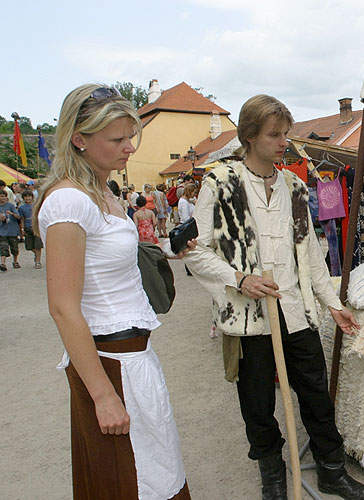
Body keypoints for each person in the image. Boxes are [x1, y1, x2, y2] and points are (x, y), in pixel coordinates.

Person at [184, 95, 364, 500]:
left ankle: (332, 472)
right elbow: (194, 251)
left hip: (295, 312)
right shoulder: (221, 183)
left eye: (285, 133)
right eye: (275, 134)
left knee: (316, 398)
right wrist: (239, 279)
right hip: (248, 318)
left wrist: (334, 305)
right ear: (250, 136)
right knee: (256, 405)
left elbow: (311, 256)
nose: (283, 141)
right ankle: (273, 477)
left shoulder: (294, 185)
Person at [33, 84, 194, 499]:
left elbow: (114, 266)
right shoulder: (68, 201)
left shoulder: (102, 192)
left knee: (155, 474)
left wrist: (170, 251)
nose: (129, 148)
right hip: (109, 363)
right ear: (79, 139)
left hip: (132, 358)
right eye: (117, 139)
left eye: (131, 137)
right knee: (130, 482)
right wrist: (103, 395)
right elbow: (64, 308)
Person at [17, 190, 43, 268]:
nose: (27, 198)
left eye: (29, 196)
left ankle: (38, 261)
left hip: (36, 227)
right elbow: (22, 219)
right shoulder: (21, 208)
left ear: (32, 197)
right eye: (26, 197)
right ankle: (35, 254)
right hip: (28, 227)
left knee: (38, 245)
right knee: (29, 246)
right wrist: (22, 229)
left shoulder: (36, 205)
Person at [0, 189, 22, 271]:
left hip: (12, 230)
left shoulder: (11, 206)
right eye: (1, 196)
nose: (3, 198)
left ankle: (15, 261)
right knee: (3, 247)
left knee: (14, 247)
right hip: (2, 231)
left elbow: (18, 216)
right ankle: (3, 263)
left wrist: (12, 214)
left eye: (4, 196)